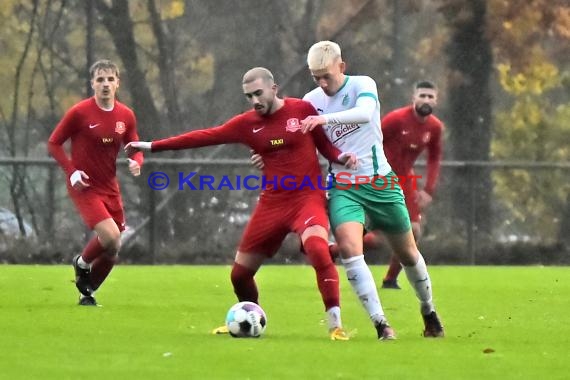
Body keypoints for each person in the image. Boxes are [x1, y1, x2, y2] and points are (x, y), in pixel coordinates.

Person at [125, 67, 357, 340]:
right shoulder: (246, 124)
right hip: (272, 203)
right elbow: (204, 137)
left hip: (307, 196)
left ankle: (335, 326)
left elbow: (325, 147)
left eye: (259, 93)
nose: (255, 100)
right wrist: (151, 147)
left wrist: (341, 158)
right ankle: (251, 317)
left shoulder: (302, 109)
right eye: (249, 96)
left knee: (317, 250)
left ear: (274, 88)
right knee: (239, 276)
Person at [300, 40, 444, 339]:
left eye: (327, 75)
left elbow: (365, 113)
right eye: (316, 78)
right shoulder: (311, 100)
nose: (323, 83)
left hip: (382, 185)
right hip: (344, 189)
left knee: (409, 253)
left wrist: (324, 119)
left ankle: (428, 310)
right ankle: (381, 324)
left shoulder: (363, 85)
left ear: (342, 66)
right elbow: (297, 138)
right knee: (352, 251)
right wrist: (269, 153)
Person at [329, 81, 444, 290]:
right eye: (422, 95)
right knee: (376, 235)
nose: (426, 100)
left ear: (436, 100)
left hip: (405, 180)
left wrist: (428, 189)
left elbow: (434, 158)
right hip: (380, 176)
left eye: (430, 96)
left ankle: (390, 279)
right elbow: (370, 136)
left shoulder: (434, 127)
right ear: (413, 98)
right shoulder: (397, 119)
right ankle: (334, 251)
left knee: (414, 231)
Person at [48, 59, 143, 306]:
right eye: (100, 79)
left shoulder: (126, 115)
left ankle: (86, 293)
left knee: (113, 249)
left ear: (118, 83)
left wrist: (137, 161)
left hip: (110, 186)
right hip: (85, 186)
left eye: (110, 79)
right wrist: (71, 172)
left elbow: (133, 145)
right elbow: (54, 143)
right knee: (110, 236)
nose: (105, 84)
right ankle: (81, 263)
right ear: (92, 83)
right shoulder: (79, 112)